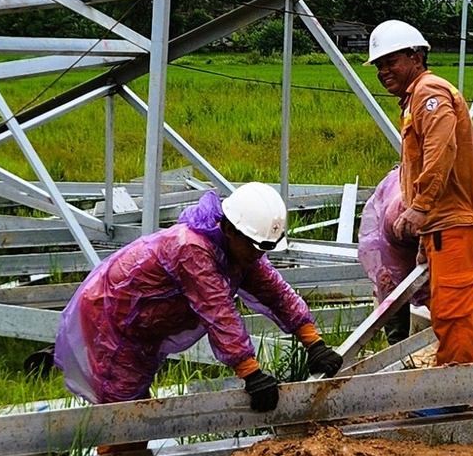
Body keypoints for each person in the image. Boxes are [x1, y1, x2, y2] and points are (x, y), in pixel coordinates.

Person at [46, 183, 340, 438]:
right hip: (113, 317)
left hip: (148, 324)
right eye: (253, 247)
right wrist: (250, 373)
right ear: (229, 228)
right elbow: (217, 311)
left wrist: (314, 342)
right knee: (123, 411)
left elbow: (275, 292)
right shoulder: (192, 249)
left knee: (136, 408)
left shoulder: (241, 250)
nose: (257, 255)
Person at [367, 20, 473, 366]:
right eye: (379, 65)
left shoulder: (429, 94)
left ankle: (455, 398)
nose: (383, 71)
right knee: (448, 310)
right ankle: (455, 385)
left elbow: (442, 149)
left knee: (453, 314)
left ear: (416, 56)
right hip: (443, 224)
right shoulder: (415, 99)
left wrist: (420, 206)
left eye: (391, 61)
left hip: (455, 221)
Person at [357, 166, 473, 344]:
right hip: (398, 232)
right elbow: (404, 273)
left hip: (437, 221)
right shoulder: (398, 219)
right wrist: (434, 305)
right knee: (390, 282)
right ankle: (397, 346)